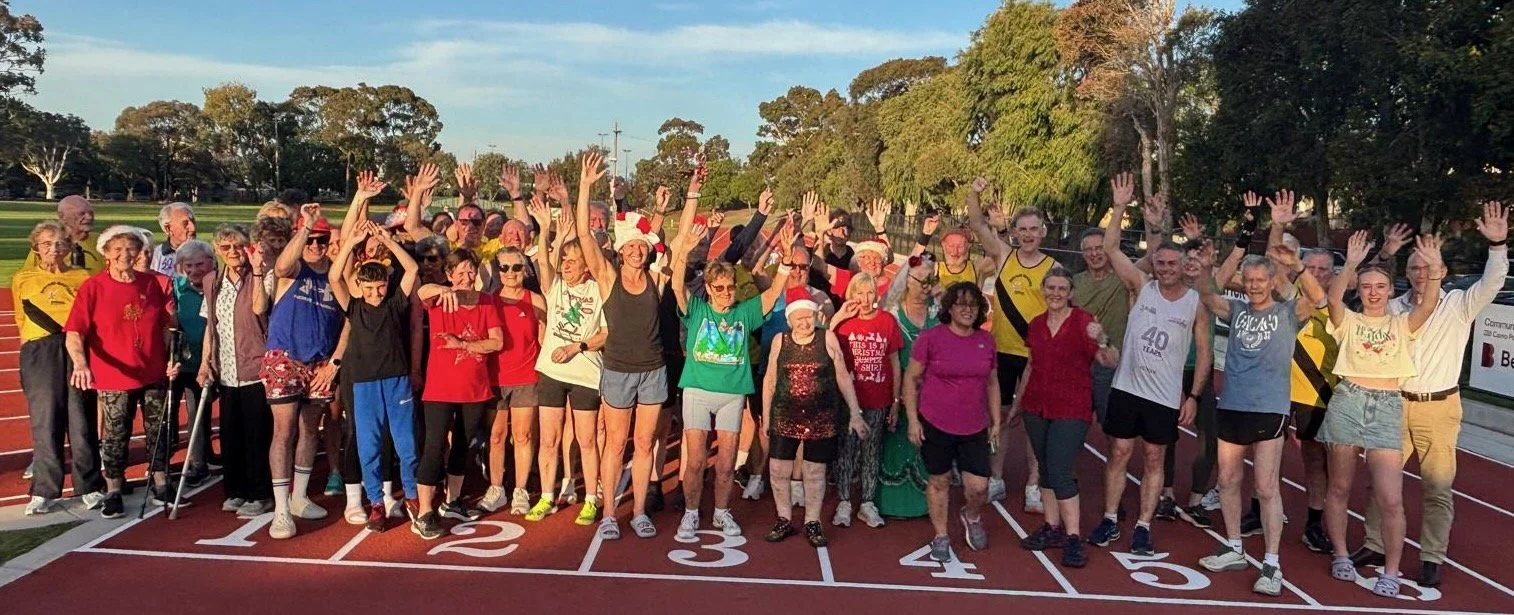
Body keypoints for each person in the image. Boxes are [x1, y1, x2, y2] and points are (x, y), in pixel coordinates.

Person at [1354, 203, 1508, 589]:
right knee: (1380, 482)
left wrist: (1496, 245)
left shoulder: (1458, 305)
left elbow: (1492, 283)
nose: (1421, 274)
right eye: (1415, 268)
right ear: (1405, 274)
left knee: (1437, 487)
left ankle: (1431, 556)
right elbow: (1360, 292)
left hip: (1439, 408)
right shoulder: (1392, 308)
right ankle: (1375, 543)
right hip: (1394, 404)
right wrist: (1385, 253)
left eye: (1429, 267)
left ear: (1442, 271)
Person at [1194, 204, 1326, 596]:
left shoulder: (1288, 312)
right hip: (1232, 405)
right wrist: (1206, 265)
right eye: (1248, 280)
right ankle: (1234, 546)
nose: (1253, 286)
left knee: (1266, 487)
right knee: (1228, 480)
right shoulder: (1235, 310)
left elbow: (1320, 300)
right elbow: (1207, 293)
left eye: (1259, 280)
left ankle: (1271, 564)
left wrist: (1297, 267)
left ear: (1271, 281)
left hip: (1269, 409)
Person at [1090, 174, 1210, 556]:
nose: (1167, 268)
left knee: (1155, 458)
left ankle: (1143, 525)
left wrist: (1194, 396)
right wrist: (1119, 207)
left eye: (1173, 263)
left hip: (1164, 395)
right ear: (1154, 264)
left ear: (1183, 265)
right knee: (1119, 452)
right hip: (1127, 388)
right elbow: (1111, 248)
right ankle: (1110, 517)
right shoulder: (1142, 286)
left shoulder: (1194, 303)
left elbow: (1205, 353)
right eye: (1161, 262)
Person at [1320, 231, 1445, 598]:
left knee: (1391, 497)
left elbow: (1430, 303)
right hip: (1348, 401)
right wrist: (1351, 264)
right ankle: (1340, 553)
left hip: (1388, 405)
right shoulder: (1348, 322)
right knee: (1339, 487)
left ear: (1391, 291)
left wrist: (1434, 267)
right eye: (1366, 287)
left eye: (1380, 287)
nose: (1373, 292)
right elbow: (1333, 298)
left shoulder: (1402, 324)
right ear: (1359, 291)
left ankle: (1391, 570)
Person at [670, 192, 791, 540]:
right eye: (719, 288)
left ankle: (722, 512)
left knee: (725, 463)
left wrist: (785, 262)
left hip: (732, 393)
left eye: (729, 288)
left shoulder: (744, 311)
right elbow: (676, 286)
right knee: (696, 461)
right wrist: (683, 252)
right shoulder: (697, 309)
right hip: (697, 390)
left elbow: (771, 295)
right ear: (708, 289)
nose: (726, 292)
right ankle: (691, 513)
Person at [578, 151, 674, 540]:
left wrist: (662, 212)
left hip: (653, 370)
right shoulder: (607, 277)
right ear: (619, 251)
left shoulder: (657, 278)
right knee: (616, 444)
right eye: (630, 246)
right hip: (618, 370)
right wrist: (586, 187)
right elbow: (584, 236)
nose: (636, 250)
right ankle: (608, 516)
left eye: (641, 247)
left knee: (645, 443)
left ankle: (638, 513)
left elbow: (663, 239)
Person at [64, 225, 176, 518]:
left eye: (131, 249)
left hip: (153, 371)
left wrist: (171, 357)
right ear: (106, 254)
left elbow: (165, 326)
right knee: (116, 433)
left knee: (159, 429)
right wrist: (80, 363)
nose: (125, 255)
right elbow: (74, 332)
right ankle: (114, 488)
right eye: (118, 250)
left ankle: (161, 482)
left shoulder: (151, 284)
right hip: (114, 375)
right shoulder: (93, 287)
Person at [1014, 268, 1120, 569]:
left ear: (1071, 292)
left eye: (1062, 288)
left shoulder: (1084, 322)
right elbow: (1031, 365)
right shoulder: (1036, 324)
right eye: (1051, 288)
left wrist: (1102, 339)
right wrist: (1018, 405)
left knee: (1060, 470)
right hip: (1037, 406)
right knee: (1046, 468)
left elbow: (1110, 360)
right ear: (1043, 290)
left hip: (1071, 408)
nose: (1056, 294)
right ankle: (1052, 527)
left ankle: (1073, 536)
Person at [328, 220, 423, 534]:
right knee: (369, 448)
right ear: (359, 286)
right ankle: (376, 503)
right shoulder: (354, 307)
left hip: (397, 382)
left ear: (387, 281)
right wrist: (351, 243)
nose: (375, 293)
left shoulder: (395, 303)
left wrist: (389, 240)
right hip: (365, 385)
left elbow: (411, 269)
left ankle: (412, 496)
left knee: (406, 445)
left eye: (380, 286)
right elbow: (334, 276)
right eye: (369, 288)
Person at [965, 176, 1053, 511]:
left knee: (1033, 421)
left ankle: (1033, 484)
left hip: (1035, 356)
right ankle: (997, 478)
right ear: (1014, 232)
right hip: (1001, 351)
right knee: (997, 417)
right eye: (1023, 229)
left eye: (1034, 229)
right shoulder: (1004, 256)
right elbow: (977, 224)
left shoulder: (1053, 268)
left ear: (1042, 232)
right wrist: (974, 194)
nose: (1028, 235)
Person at [261, 204, 345, 539]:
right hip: (286, 356)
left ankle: (300, 496)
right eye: (310, 240)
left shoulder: (336, 275)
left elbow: (350, 320)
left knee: (311, 429)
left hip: (320, 362)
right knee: (284, 431)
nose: (315, 246)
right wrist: (306, 227)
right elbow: (281, 265)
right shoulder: (294, 269)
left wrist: (335, 361)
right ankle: (281, 508)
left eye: (321, 240)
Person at [904, 281, 1000, 563]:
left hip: (974, 424)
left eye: (973, 305)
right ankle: (941, 535)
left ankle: (971, 515)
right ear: (949, 308)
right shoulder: (931, 338)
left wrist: (996, 421)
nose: (968, 310)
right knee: (940, 480)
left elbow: (992, 382)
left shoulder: (986, 341)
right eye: (961, 304)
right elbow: (911, 377)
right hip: (936, 421)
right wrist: (913, 420)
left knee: (979, 486)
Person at [762, 297, 868, 547]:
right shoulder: (780, 340)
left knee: (814, 472)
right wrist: (766, 416)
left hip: (821, 416)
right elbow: (770, 379)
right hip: (784, 414)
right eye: (798, 318)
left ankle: (812, 521)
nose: (804, 322)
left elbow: (842, 376)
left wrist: (855, 412)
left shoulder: (827, 338)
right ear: (789, 320)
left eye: (808, 317)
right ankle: (784, 518)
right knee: (778, 470)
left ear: (816, 317)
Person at [15, 221, 105, 515]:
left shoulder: (82, 276)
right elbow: (20, 318)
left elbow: (91, 316)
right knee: (46, 420)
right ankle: (44, 490)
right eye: (46, 243)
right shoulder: (23, 278)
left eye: (59, 243)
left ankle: (89, 486)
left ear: (68, 247)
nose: (53, 249)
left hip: (76, 347)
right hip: (40, 350)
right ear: (36, 248)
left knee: (82, 419)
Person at [527, 199, 607, 525]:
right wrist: (546, 227)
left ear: (587, 266)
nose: (566, 265)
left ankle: (590, 498)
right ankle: (547, 496)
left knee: (586, 440)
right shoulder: (555, 286)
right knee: (549, 439)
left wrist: (578, 346)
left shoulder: (600, 291)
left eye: (573, 261)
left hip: (586, 374)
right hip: (552, 372)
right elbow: (543, 262)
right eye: (565, 260)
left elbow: (606, 333)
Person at [414, 249, 504, 538]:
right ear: (449, 274)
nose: (467, 277)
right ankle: (424, 512)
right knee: (434, 445)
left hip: (475, 388)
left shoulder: (486, 301)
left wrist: (464, 345)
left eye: (471, 271)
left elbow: (497, 342)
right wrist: (443, 289)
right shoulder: (439, 298)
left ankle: (452, 501)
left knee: (463, 445)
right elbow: (421, 292)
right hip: (440, 388)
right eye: (461, 271)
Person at [197, 224, 275, 518]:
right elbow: (211, 325)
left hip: (255, 368)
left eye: (239, 246)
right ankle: (236, 490)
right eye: (226, 247)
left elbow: (259, 308)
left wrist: (257, 272)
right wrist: (205, 361)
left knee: (256, 436)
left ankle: (260, 493)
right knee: (231, 436)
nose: (233, 252)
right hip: (226, 370)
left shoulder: (262, 276)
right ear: (217, 250)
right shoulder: (212, 281)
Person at [829, 273, 903, 529]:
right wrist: (839, 317)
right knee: (846, 451)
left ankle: (867, 502)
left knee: (872, 450)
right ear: (851, 295)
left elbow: (895, 362)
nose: (864, 298)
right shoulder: (843, 323)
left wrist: (895, 401)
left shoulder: (887, 321)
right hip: (849, 400)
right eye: (859, 293)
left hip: (878, 399)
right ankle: (844, 501)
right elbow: (823, 342)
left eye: (869, 292)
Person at [479, 247, 546, 515]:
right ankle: (496, 488)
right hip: (495, 378)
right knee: (496, 436)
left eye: (516, 267)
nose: (510, 273)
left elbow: (543, 338)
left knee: (523, 435)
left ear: (525, 270)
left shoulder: (535, 300)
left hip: (526, 377)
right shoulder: (488, 301)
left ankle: (520, 489)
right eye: (504, 267)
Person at [1288, 246, 1342, 554]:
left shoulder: (1337, 306)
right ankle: (1256, 511)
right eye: (1310, 268)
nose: (1316, 274)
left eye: (1323, 270)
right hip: (1279, 388)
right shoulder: (1287, 294)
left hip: (1317, 392)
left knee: (1316, 460)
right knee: (1264, 452)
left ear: (1332, 275)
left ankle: (1314, 523)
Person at [876, 255, 937, 519]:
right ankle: (891, 502)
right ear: (907, 281)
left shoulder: (939, 313)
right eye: (921, 280)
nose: (926, 286)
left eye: (930, 280)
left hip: (931, 393)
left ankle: (927, 502)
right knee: (896, 441)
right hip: (897, 391)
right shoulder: (892, 314)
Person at [167, 239, 217, 486]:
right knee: (174, 413)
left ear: (211, 263)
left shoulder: (217, 285)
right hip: (181, 362)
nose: (194, 270)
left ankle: (202, 458)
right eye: (189, 266)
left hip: (209, 360)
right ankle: (173, 463)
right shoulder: (176, 288)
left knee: (201, 410)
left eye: (200, 264)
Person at [1071, 227, 1128, 426]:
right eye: (1089, 249)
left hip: (1110, 365)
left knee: (1111, 426)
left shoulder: (1123, 279)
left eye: (1099, 248)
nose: (1094, 254)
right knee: (1073, 423)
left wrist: (1152, 225)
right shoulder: (1074, 283)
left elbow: (1151, 258)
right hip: (1079, 365)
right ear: (1082, 253)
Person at [23, 195, 102, 274]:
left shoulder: (102, 242)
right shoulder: (45, 246)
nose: (89, 217)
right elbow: (28, 275)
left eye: (91, 213)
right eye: (82, 213)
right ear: (62, 216)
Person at [151, 202, 197, 277]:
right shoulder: (154, 258)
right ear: (168, 229)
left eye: (193, 222)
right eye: (185, 223)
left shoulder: (206, 255)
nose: (193, 228)